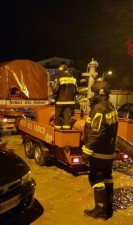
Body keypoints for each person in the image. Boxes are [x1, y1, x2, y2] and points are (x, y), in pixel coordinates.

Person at [81, 80, 118, 220]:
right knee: (107, 177)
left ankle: (100, 210)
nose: (92, 94)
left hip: (99, 152)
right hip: (109, 151)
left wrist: (86, 151)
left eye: (93, 92)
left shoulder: (98, 108)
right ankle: (108, 208)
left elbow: (96, 132)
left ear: (98, 93)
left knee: (96, 178)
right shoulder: (111, 106)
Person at [51, 64, 78, 130]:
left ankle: (58, 132)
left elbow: (56, 90)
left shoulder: (59, 78)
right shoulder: (73, 78)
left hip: (60, 102)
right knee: (67, 117)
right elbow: (76, 90)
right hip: (70, 102)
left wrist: (53, 99)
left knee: (58, 116)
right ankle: (66, 132)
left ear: (60, 70)